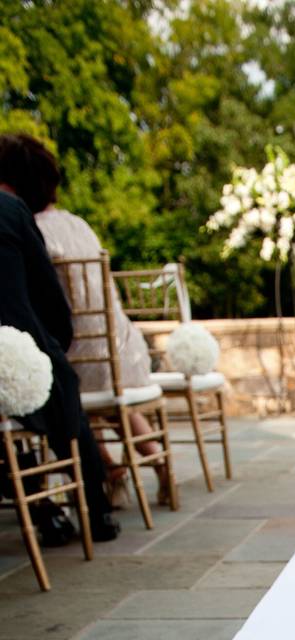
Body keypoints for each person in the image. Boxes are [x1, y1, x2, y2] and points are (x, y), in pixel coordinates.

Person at [0, 133, 120, 543]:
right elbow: (49, 297)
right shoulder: (13, 212)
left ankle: (40, 505)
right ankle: (96, 508)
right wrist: (56, 342)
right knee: (64, 391)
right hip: (21, 351)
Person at [34, 208, 171, 507]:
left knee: (71, 397)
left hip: (81, 346)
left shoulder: (35, 229)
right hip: (121, 342)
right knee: (112, 407)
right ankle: (160, 465)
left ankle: (112, 472)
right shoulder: (78, 222)